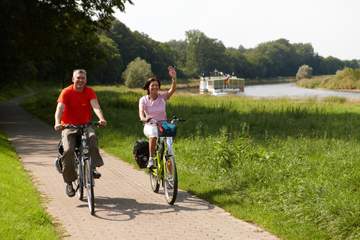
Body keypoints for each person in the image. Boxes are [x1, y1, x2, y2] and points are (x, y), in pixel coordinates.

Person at [54, 69, 107, 197]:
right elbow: (60, 109)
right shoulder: (66, 92)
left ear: (86, 80)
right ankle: (69, 182)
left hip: (85, 125)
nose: (80, 80)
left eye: (83, 78)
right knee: (68, 151)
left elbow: (95, 106)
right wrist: (57, 122)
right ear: (73, 79)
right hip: (68, 127)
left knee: (92, 137)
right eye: (78, 78)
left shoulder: (89, 91)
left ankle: (92, 167)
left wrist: (101, 118)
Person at [139, 66, 177, 168]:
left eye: (157, 85)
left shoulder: (162, 97)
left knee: (169, 143)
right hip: (150, 124)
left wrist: (173, 78)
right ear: (148, 87)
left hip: (163, 124)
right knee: (153, 134)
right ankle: (151, 159)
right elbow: (141, 114)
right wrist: (145, 119)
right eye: (152, 85)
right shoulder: (143, 100)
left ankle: (169, 166)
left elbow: (172, 90)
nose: (155, 87)